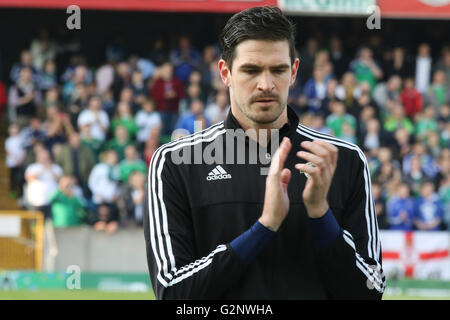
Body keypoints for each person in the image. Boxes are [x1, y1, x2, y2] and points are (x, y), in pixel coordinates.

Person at [144, 6, 384, 300]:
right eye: (251, 70)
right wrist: (264, 227)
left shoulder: (342, 160)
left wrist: (321, 214)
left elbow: (370, 292)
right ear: (225, 73)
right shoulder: (176, 163)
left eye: (278, 70)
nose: (266, 84)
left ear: (293, 72)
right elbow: (172, 293)